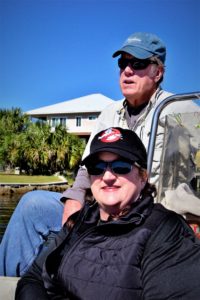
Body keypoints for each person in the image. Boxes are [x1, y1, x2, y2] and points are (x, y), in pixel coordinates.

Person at [0, 32, 199, 277]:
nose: (127, 70)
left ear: (158, 72)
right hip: (101, 208)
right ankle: (11, 285)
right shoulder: (108, 113)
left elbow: (194, 173)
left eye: (138, 64)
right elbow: (86, 168)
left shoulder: (181, 110)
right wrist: (73, 200)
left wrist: (192, 218)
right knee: (33, 206)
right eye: (122, 63)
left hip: (149, 215)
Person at [15, 127, 200, 300]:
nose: (108, 176)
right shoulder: (80, 221)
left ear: (143, 177)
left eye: (121, 166)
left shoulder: (165, 232)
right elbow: (33, 279)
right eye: (97, 167)